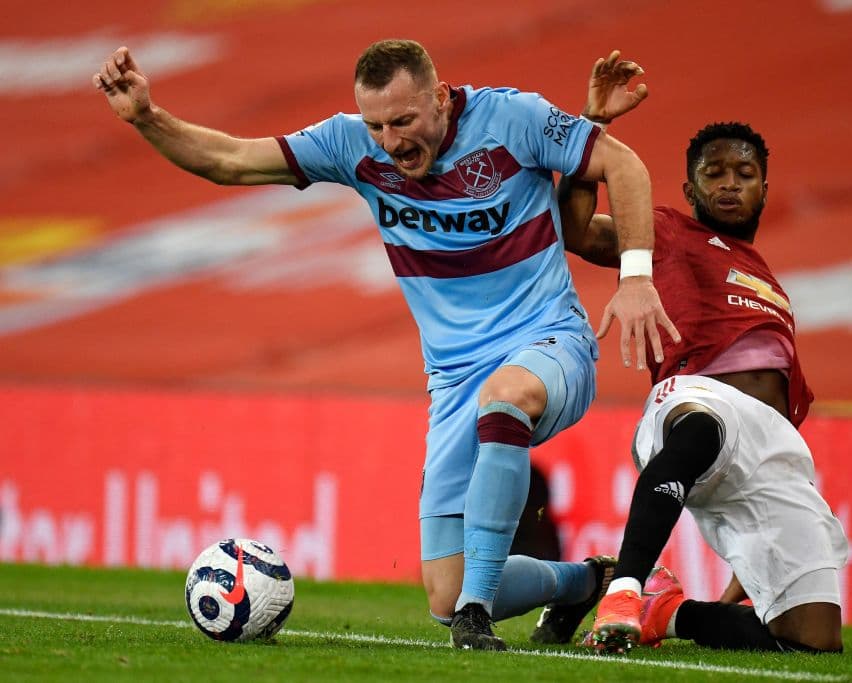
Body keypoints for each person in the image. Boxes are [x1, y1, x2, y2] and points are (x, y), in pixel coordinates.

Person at [93, 40, 679, 651]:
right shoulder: (351, 146)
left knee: (505, 399)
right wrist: (146, 117)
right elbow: (231, 161)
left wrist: (636, 279)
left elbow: (623, 166)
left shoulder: (512, 118)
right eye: (376, 125)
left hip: (549, 341)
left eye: (402, 121)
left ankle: (476, 617)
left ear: (441, 98)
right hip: (454, 382)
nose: (390, 141)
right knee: (444, 594)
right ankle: (588, 582)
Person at [557, 52, 849, 654]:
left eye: (744, 173)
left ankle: (665, 611)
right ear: (691, 188)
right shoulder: (666, 230)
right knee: (704, 425)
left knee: (811, 640)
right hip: (695, 400)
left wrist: (756, 556)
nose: (729, 183)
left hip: (769, 449)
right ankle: (625, 589)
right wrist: (592, 127)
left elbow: (779, 407)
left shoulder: (771, 286)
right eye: (714, 174)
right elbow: (578, 230)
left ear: (764, 187)